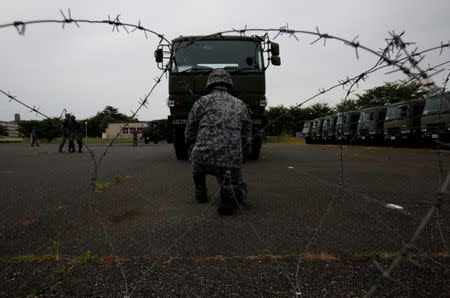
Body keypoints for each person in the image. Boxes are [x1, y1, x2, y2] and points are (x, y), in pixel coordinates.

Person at [185, 68, 252, 215]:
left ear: (210, 84)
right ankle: (231, 192)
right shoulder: (240, 104)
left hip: (202, 158)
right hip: (231, 160)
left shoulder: (200, 102)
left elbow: (189, 131)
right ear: (229, 84)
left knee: (197, 163)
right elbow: (248, 136)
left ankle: (200, 190)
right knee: (239, 184)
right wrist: (244, 155)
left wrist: (191, 147)